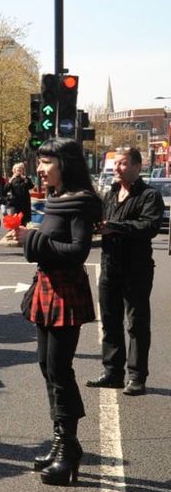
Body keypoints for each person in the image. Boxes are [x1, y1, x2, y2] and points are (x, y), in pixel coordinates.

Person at [11, 138, 102, 486]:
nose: (40, 167)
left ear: (65, 163)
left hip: (65, 290)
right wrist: (31, 238)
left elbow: (78, 250)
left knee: (60, 370)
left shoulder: (80, 202)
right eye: (39, 161)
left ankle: (69, 450)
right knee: (47, 367)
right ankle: (62, 442)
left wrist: (31, 239)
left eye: (47, 161)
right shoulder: (56, 199)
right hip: (48, 287)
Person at [86, 146, 162, 396]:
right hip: (110, 265)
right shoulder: (110, 194)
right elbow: (101, 223)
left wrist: (115, 227)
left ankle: (137, 377)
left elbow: (148, 226)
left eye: (122, 164)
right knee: (109, 321)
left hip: (136, 269)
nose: (116, 168)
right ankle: (112, 373)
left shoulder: (149, 195)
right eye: (115, 164)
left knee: (136, 323)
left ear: (138, 167)